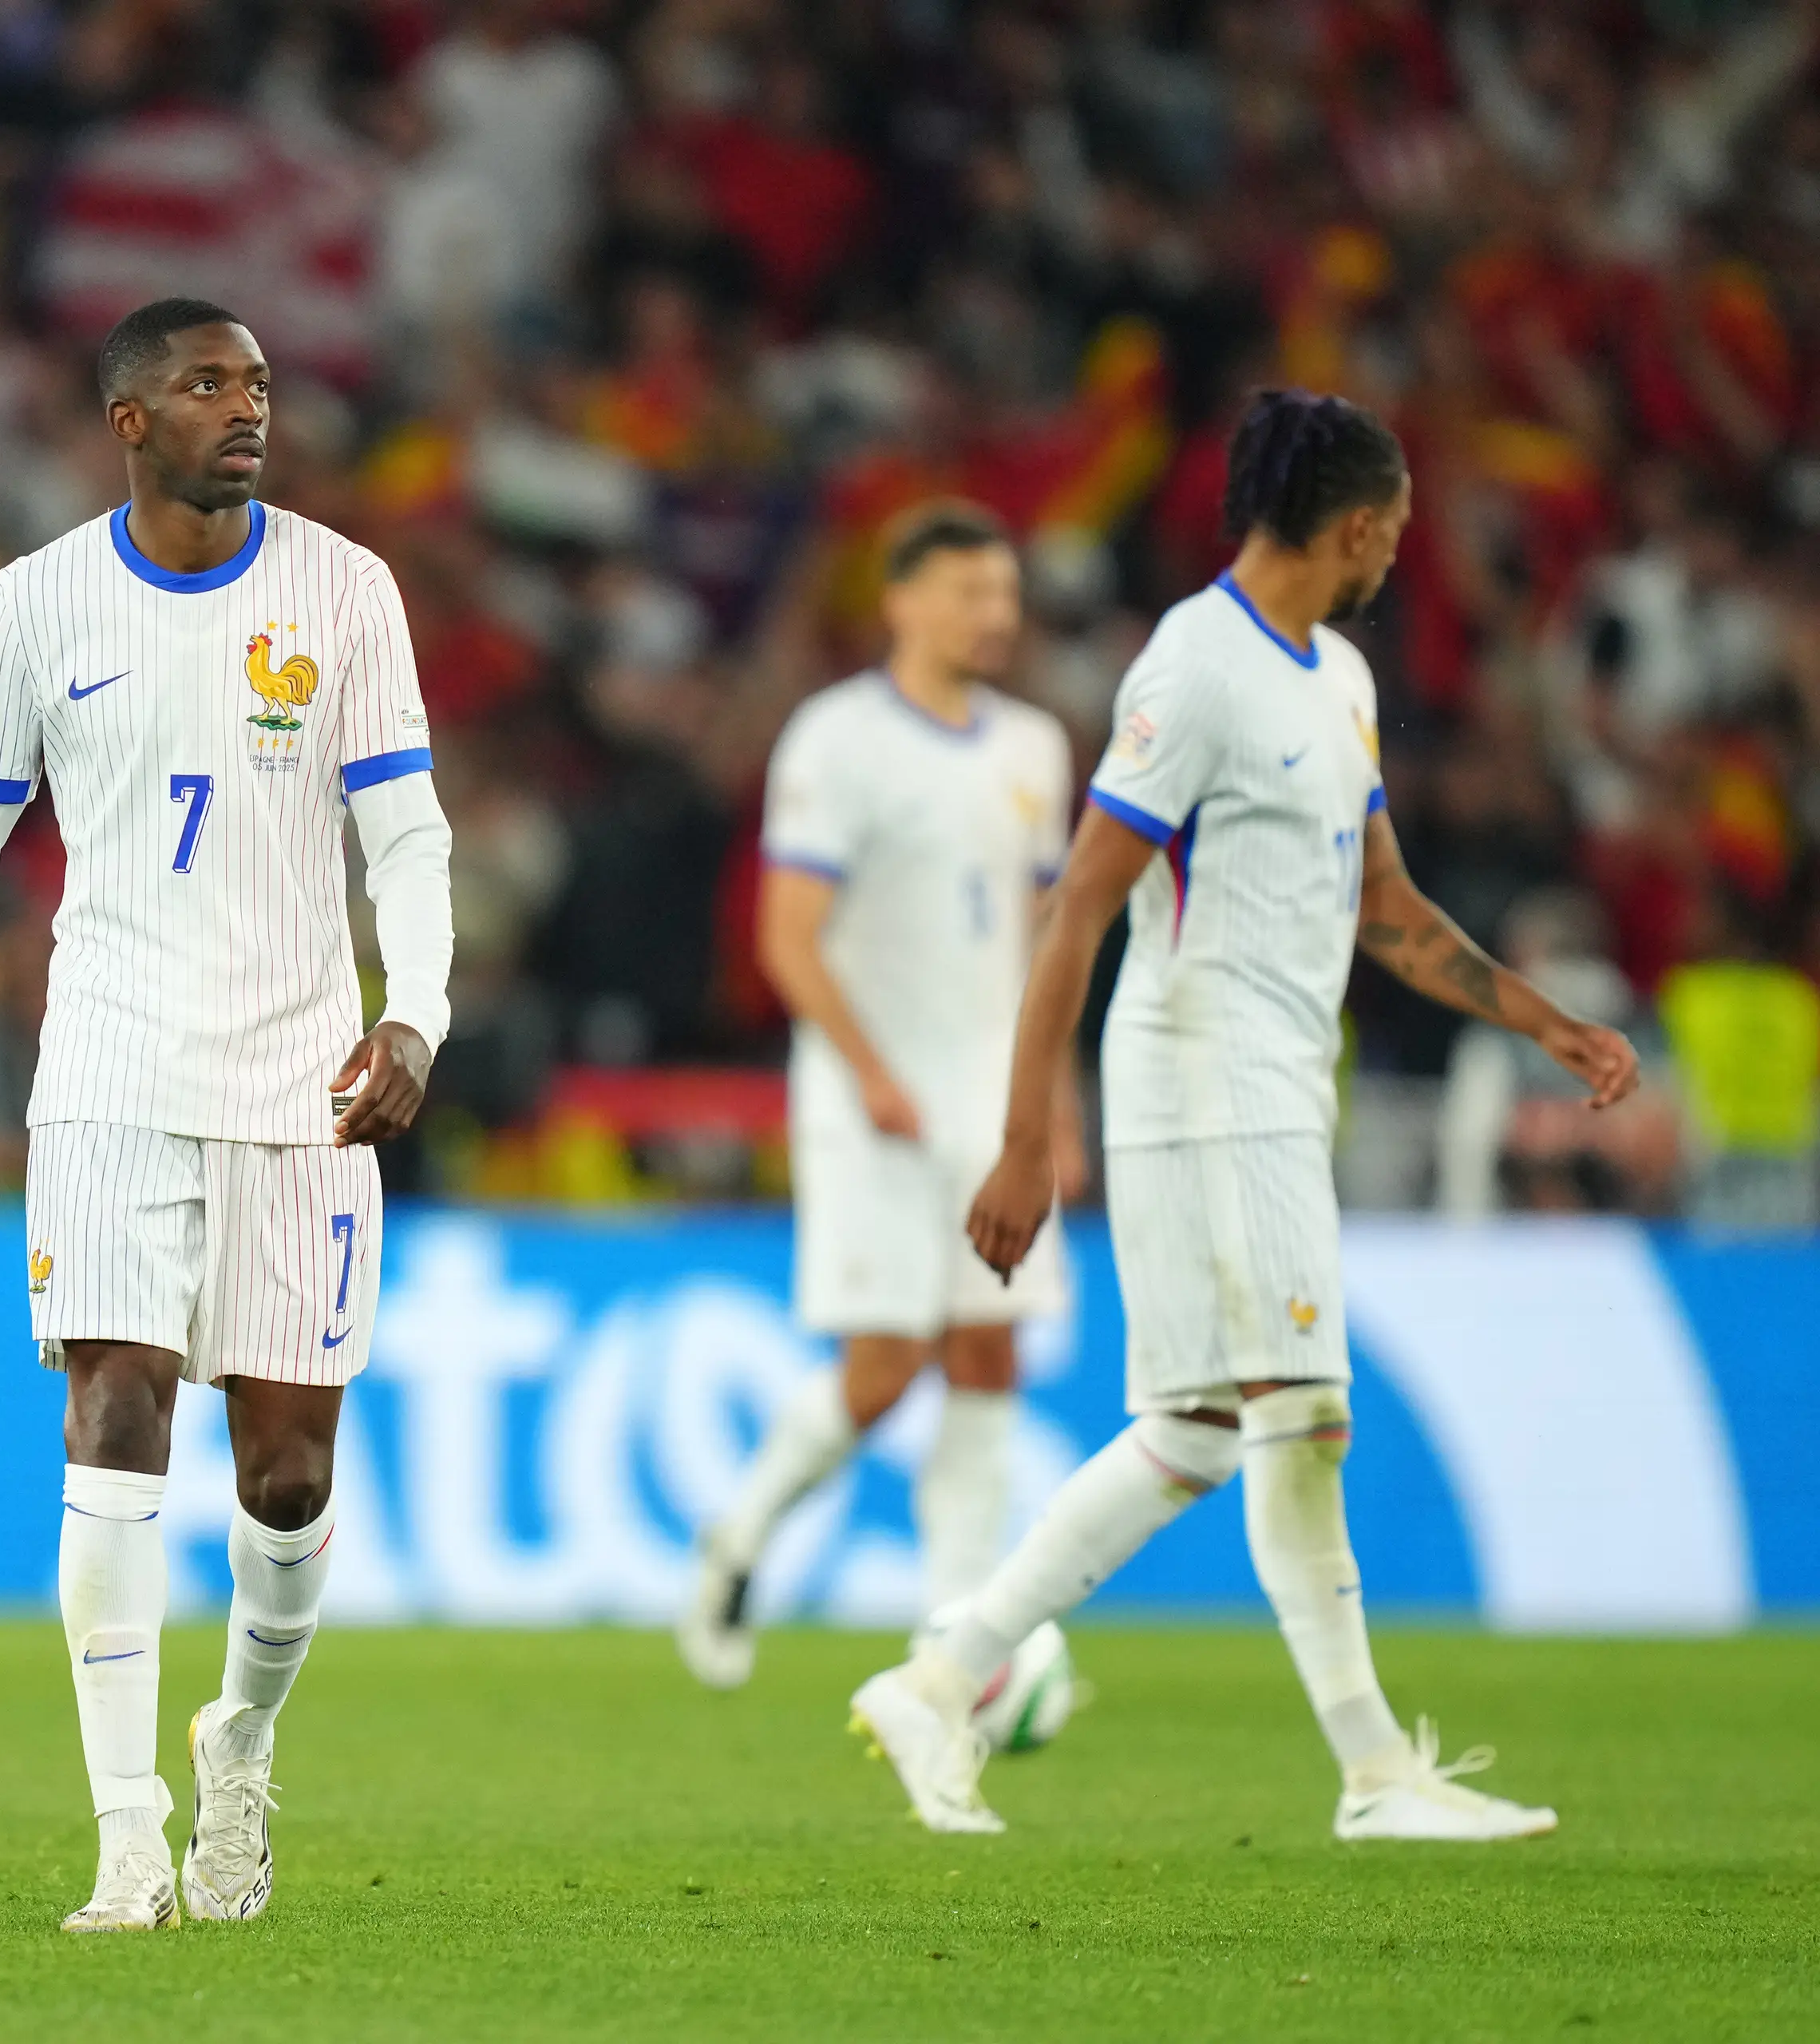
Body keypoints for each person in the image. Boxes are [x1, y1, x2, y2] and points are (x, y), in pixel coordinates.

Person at [850, 390, 1640, 1841]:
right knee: (1301, 1413)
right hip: (1203, 1077)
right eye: (1391, 534)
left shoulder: (1335, 677)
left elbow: (1385, 910)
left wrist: (1546, 1022)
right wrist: (1029, 1136)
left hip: (1278, 1080)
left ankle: (943, 1677)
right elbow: (1079, 906)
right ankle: (1374, 1774)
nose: (1395, 559)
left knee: (1201, 1427)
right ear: (1351, 525)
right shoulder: (1195, 670)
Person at [0, 299, 453, 1931]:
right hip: (109, 1068)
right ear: (128, 418)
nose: (245, 408)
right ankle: (128, 1835)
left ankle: (240, 1735)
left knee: (286, 1479)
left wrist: (416, 1013)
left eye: (258, 384)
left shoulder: (344, 589)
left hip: (303, 1080)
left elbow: (409, 836)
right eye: (207, 383)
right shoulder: (39, 603)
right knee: (114, 1414)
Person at [676, 501, 1078, 1689]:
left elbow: (1044, 945)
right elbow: (789, 939)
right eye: (967, 593)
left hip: (992, 1098)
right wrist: (872, 1075)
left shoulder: (1034, 750)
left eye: (1004, 596)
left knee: (991, 1350)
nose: (992, 617)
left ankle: (956, 1636)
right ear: (899, 601)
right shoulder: (836, 739)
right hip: (871, 1095)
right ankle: (737, 1540)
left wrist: (1055, 1107)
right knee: (888, 1362)